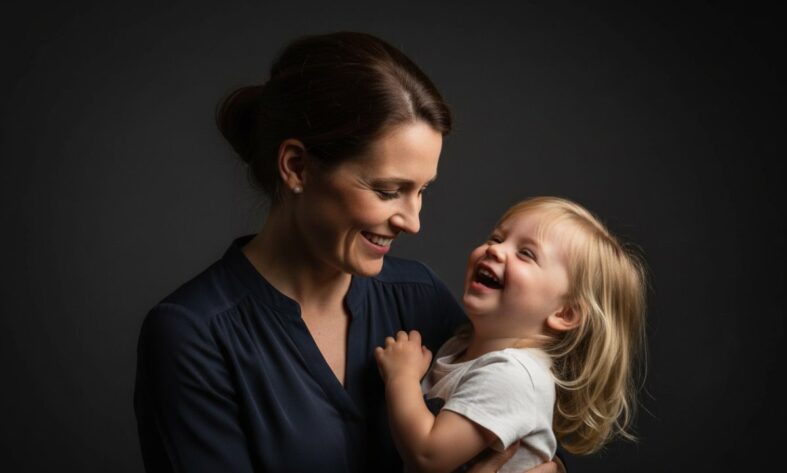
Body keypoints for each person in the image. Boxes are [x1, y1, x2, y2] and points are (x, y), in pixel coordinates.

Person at [134, 32, 558, 473]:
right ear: (297, 167)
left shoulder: (419, 295)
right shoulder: (193, 335)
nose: (412, 221)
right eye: (388, 190)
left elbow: (520, 425)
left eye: (421, 191)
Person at [375, 196, 648, 473]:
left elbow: (427, 457)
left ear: (564, 314)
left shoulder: (513, 375)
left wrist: (402, 377)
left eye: (526, 253)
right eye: (496, 238)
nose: (495, 250)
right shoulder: (461, 345)